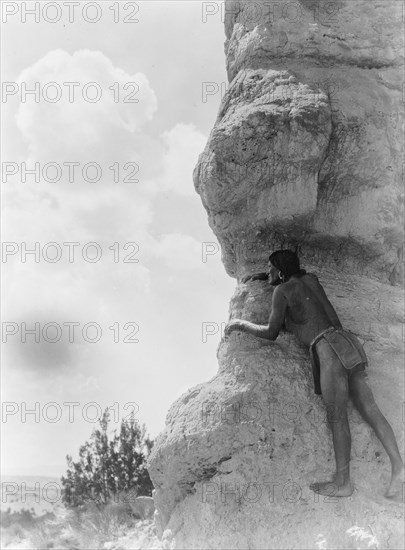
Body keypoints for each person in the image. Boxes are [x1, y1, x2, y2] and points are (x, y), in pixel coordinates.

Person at [224, 249, 404, 499]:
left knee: (337, 418)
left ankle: (343, 484)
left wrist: (239, 324)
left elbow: (271, 332)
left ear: (280, 271)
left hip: (327, 349)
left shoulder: (282, 291)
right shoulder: (311, 280)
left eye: (270, 268)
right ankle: (399, 466)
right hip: (347, 342)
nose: (268, 273)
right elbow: (292, 277)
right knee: (370, 408)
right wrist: (261, 276)